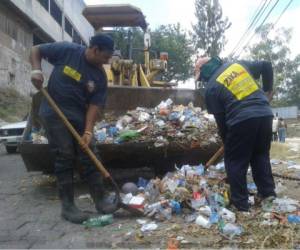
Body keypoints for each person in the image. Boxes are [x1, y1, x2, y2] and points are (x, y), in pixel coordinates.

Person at [29, 33, 116, 224]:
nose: (107, 62)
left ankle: (101, 200)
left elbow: (94, 106)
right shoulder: (67, 50)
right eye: (105, 57)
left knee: (89, 152)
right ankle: (68, 207)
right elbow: (36, 50)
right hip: (54, 112)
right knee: (65, 154)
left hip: (79, 115)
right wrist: (36, 71)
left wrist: (87, 131)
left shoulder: (99, 76)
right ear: (95, 49)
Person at [195, 56, 276, 211]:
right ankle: (268, 194)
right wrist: (267, 91)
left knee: (235, 161)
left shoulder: (211, 88)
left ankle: (241, 204)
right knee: (260, 155)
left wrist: (228, 144)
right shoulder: (239, 65)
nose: (203, 80)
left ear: (204, 72)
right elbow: (266, 65)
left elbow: (222, 123)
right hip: (265, 114)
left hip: (241, 119)